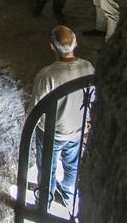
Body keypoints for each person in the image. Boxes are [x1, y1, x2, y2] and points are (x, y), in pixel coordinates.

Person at [32, 25, 95, 208]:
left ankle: (45, 201)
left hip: (52, 132)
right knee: (72, 165)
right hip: (77, 129)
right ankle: (68, 193)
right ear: (76, 43)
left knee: (47, 169)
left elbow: (36, 107)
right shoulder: (88, 67)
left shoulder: (47, 75)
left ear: (52, 46)